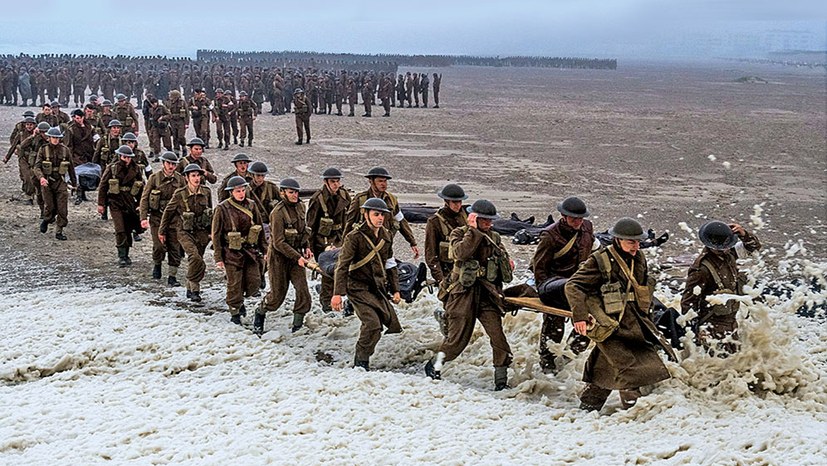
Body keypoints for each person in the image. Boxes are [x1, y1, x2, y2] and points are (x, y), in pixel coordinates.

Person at [566, 218, 675, 412]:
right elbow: (573, 286)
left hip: (634, 322)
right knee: (628, 367)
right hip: (610, 325)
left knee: (607, 364)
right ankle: (634, 414)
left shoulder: (639, 258)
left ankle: (589, 405)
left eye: (638, 242)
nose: (636, 246)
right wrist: (580, 317)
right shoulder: (600, 260)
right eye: (631, 242)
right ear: (618, 240)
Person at [424, 200, 514, 390]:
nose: (489, 224)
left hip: (487, 293)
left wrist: (506, 262)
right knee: (457, 340)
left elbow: (503, 263)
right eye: (485, 221)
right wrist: (473, 231)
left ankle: (501, 381)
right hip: (462, 292)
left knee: (498, 337)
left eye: (491, 221)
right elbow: (460, 253)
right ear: (474, 219)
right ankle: (434, 366)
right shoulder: (459, 233)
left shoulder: (495, 238)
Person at [332, 198, 402, 370]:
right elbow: (342, 266)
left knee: (378, 326)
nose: (380, 218)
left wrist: (396, 289)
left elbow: (390, 263)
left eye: (382, 215)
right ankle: (361, 362)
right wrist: (337, 294)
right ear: (366, 214)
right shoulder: (354, 237)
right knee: (372, 324)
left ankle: (363, 358)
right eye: (376, 214)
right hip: (356, 287)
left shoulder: (386, 236)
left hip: (376, 288)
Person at [531, 196, 594, 373]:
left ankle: (568, 357)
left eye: (580, 218)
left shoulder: (587, 228)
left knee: (591, 319)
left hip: (578, 284)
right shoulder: (550, 235)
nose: (578, 222)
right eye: (574, 218)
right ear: (563, 216)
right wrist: (544, 294)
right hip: (553, 285)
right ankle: (547, 361)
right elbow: (539, 267)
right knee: (554, 327)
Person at [681, 220, 761, 355]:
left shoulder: (729, 255)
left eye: (728, 245)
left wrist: (743, 234)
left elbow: (753, 248)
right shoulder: (701, 269)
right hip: (712, 325)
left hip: (731, 320)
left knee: (734, 360)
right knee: (718, 363)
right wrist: (694, 332)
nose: (726, 249)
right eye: (723, 247)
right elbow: (688, 302)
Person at [255, 178, 313, 335]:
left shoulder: (301, 207)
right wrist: (297, 256)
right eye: (291, 192)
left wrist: (306, 247)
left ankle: (297, 325)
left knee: (303, 291)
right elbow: (279, 242)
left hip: (296, 258)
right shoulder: (277, 213)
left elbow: (303, 231)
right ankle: (260, 312)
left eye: (296, 192)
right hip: (279, 259)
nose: (294, 195)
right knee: (276, 296)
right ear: (283, 193)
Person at [212, 176, 266, 324]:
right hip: (230, 252)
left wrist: (265, 250)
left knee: (253, 281)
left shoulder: (252, 205)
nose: (241, 193)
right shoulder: (222, 208)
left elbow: (260, 229)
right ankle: (235, 312)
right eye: (238, 191)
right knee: (234, 284)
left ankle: (240, 301)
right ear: (231, 192)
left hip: (250, 250)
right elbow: (216, 235)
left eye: (243, 190)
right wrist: (218, 258)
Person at [159, 163, 213, 302]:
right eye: (193, 176)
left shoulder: (206, 192)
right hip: (184, 231)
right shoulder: (180, 194)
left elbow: (211, 212)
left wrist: (212, 232)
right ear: (187, 178)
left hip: (201, 232)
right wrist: (162, 230)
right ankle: (195, 289)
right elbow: (168, 212)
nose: (196, 178)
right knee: (195, 257)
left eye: (198, 175)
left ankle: (190, 287)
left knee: (197, 259)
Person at [344, 167, 419, 259]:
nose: (384, 184)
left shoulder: (391, 200)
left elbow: (401, 221)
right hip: (364, 244)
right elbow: (349, 223)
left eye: (385, 181)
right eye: (380, 181)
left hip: (384, 243)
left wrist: (412, 242)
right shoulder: (360, 200)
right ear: (371, 181)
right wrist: (344, 246)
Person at [424, 184, 468, 335]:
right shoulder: (435, 222)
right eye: (455, 202)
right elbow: (431, 254)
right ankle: (450, 336)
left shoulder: (465, 217)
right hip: (447, 272)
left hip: (465, 271)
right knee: (451, 307)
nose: (458, 205)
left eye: (460, 202)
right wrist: (440, 279)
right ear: (446, 202)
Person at [306, 167, 352, 313]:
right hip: (323, 240)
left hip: (341, 237)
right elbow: (310, 226)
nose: (336, 185)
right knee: (328, 273)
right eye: (333, 181)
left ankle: (348, 300)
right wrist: (311, 247)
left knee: (346, 269)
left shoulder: (344, 196)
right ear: (326, 182)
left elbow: (350, 219)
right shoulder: (317, 199)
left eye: (338, 181)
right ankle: (326, 303)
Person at [140, 151, 185, 285]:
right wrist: (143, 217)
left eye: (173, 164)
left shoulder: (180, 179)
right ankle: (157, 264)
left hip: (174, 219)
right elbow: (145, 198)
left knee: (174, 247)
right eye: (168, 163)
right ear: (163, 164)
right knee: (159, 246)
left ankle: (172, 276)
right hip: (157, 218)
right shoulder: (154, 178)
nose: (171, 166)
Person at [97, 145, 145, 267]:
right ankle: (122, 256)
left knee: (128, 228)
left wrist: (141, 204)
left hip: (129, 202)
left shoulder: (136, 169)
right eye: (124, 157)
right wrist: (101, 204)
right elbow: (103, 186)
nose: (126, 159)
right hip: (115, 202)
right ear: (119, 156)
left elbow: (141, 188)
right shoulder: (112, 168)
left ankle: (126, 253)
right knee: (120, 229)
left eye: (128, 157)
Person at [33, 127, 77, 240]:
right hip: (47, 181)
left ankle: (59, 231)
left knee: (62, 208)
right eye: (53, 137)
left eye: (57, 138)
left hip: (60, 181)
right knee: (50, 207)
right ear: (49, 138)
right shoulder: (43, 150)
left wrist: (75, 184)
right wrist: (41, 178)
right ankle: (47, 220)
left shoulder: (65, 150)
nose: (55, 140)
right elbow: (37, 167)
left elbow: (71, 168)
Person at [164, 90, 189, 156]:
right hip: (172, 121)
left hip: (181, 121)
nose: (170, 97)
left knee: (181, 136)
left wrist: (187, 123)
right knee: (175, 136)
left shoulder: (182, 102)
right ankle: (176, 150)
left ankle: (184, 147)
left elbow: (187, 113)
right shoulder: (168, 103)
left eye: (171, 96)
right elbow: (166, 112)